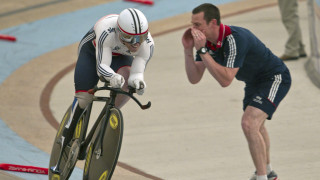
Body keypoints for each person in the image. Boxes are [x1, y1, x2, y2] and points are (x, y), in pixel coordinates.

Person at [182, 3, 291, 180]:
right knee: (257, 125)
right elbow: (194, 78)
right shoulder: (206, 43)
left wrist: (202, 51)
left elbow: (225, 80)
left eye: (197, 24)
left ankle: (262, 177)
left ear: (213, 23)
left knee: (249, 123)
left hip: (274, 77)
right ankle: (268, 172)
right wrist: (188, 49)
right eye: (192, 24)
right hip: (253, 82)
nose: (193, 29)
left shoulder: (234, 38)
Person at [51, 8, 154, 173]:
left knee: (127, 85)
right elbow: (101, 67)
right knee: (84, 98)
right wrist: (112, 77)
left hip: (119, 55)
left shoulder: (147, 44)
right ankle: (65, 140)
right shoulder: (107, 30)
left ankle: (107, 118)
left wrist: (139, 82)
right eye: (129, 37)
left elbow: (137, 73)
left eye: (139, 38)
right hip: (92, 54)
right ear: (119, 33)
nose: (135, 43)